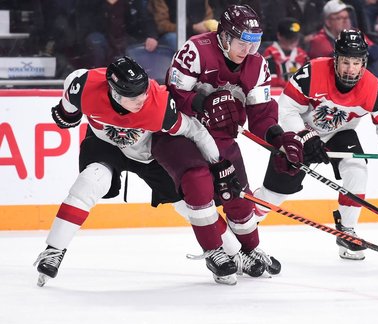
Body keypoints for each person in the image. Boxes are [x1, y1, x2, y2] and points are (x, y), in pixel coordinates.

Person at [33, 56, 240, 287]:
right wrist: (66, 115)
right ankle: (53, 251)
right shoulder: (83, 86)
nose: (142, 98)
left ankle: (233, 250)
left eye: (143, 91)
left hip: (147, 154)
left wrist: (218, 162)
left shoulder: (158, 104)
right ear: (115, 93)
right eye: (134, 96)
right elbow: (68, 110)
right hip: (105, 146)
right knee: (91, 180)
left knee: (188, 203)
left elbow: (195, 130)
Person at [151, 4, 304, 285]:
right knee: (199, 184)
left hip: (221, 138)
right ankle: (215, 251)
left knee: (239, 197)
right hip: (181, 134)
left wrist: (278, 138)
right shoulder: (196, 50)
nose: (248, 50)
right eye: (242, 43)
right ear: (223, 36)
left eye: (254, 43)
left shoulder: (257, 64)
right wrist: (202, 102)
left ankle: (249, 250)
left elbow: (261, 115)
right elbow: (172, 96)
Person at [253, 29, 378, 261]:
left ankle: (346, 231)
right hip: (299, 134)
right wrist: (303, 135)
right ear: (335, 59)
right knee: (275, 195)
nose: (350, 69)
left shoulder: (372, 87)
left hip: (339, 134)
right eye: (345, 62)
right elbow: (287, 108)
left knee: (357, 168)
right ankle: (245, 227)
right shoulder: (312, 72)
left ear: (364, 63)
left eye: (356, 63)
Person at [263, 17, 310, 88]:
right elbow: (271, 81)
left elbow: (310, 79)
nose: (293, 41)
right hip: (278, 94)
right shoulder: (270, 53)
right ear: (279, 36)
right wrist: (294, 87)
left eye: (295, 37)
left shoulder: (302, 54)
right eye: (289, 37)